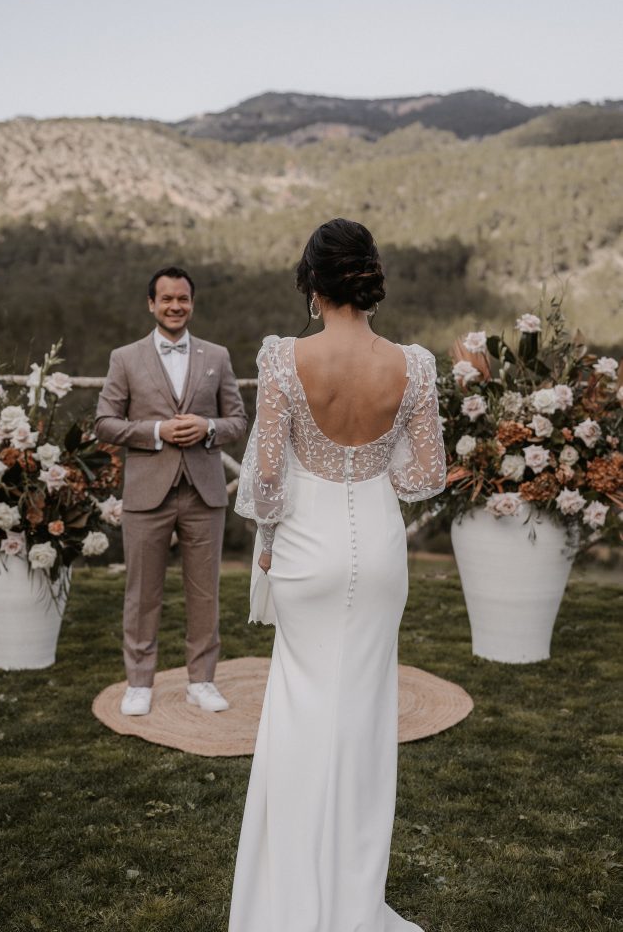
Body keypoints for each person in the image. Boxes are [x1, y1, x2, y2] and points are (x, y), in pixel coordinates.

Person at [229, 219, 446, 932]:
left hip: (306, 548)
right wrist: (372, 463)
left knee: (299, 711)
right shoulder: (413, 365)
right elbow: (424, 477)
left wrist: (268, 541)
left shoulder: (285, 358)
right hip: (378, 547)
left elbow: (266, 480)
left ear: (313, 285)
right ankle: (352, 905)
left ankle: (289, 900)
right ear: (369, 280)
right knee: (364, 720)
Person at [95, 266, 247, 716]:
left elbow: (238, 421)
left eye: (183, 299)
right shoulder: (125, 358)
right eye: (167, 299)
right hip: (147, 493)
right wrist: (156, 431)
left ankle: (202, 681)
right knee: (142, 593)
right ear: (151, 304)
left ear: (192, 303)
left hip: (204, 492)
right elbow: (105, 423)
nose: (175, 306)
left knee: (205, 593)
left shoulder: (217, 356)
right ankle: (139, 682)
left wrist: (208, 427)